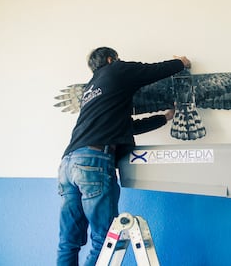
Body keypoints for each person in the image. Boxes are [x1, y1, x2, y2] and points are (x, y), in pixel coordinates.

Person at [57, 47, 191, 266]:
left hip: (68, 164)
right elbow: (152, 71)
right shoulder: (116, 71)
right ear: (111, 59)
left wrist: (163, 118)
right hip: (93, 162)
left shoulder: (91, 90)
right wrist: (180, 63)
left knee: (68, 242)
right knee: (104, 239)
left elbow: (125, 127)